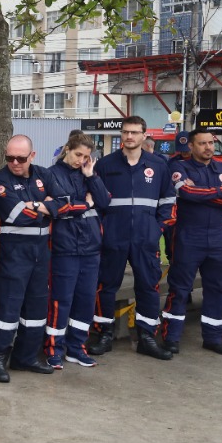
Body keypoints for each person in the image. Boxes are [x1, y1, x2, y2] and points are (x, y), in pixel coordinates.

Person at [92, 116, 175, 361]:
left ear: (143, 135)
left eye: (134, 132)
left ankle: (147, 336)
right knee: (106, 286)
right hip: (113, 237)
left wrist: (157, 228)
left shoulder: (158, 165)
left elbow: (168, 199)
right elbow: (95, 201)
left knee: (148, 286)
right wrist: (103, 228)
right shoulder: (106, 165)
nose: (129, 137)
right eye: (126, 132)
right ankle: (104, 334)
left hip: (145, 237)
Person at [161, 128, 222, 356]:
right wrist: (219, 192)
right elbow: (186, 192)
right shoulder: (179, 167)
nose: (208, 147)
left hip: (218, 237)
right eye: (202, 143)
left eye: (211, 143)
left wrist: (203, 193)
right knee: (180, 288)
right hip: (188, 235)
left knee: (217, 289)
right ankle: (171, 337)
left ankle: (214, 338)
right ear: (191, 147)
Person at [0, 135, 56, 381]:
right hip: (14, 251)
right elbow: (17, 215)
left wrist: (39, 206)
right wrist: (43, 207)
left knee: (36, 306)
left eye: (21, 158)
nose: (14, 162)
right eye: (9, 157)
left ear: (32, 156)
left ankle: (26, 357)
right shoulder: (1, 182)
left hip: (40, 251)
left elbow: (63, 202)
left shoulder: (43, 175)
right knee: (8, 306)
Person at [42, 132, 110, 369]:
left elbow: (104, 201)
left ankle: (77, 348)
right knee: (61, 301)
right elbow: (60, 207)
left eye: (86, 157)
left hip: (91, 248)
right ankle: (53, 349)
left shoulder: (88, 174)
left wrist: (91, 176)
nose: (81, 160)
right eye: (78, 154)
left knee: (85, 300)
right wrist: (87, 203)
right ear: (67, 149)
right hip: (64, 248)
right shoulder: (50, 175)